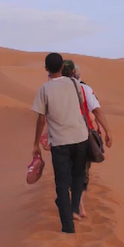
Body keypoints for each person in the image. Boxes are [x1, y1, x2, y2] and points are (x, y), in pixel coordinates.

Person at [31, 53, 89, 234]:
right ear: (62, 67)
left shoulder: (44, 89)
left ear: (46, 69)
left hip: (61, 143)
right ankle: (73, 209)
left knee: (62, 185)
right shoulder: (75, 84)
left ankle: (68, 228)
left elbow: (41, 118)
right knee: (78, 176)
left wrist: (35, 143)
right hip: (81, 137)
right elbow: (81, 105)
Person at [66, 61, 113, 218]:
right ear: (77, 74)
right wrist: (108, 132)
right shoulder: (85, 89)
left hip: (64, 136)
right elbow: (97, 112)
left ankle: (75, 202)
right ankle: (77, 204)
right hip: (82, 136)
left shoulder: (55, 90)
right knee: (81, 170)